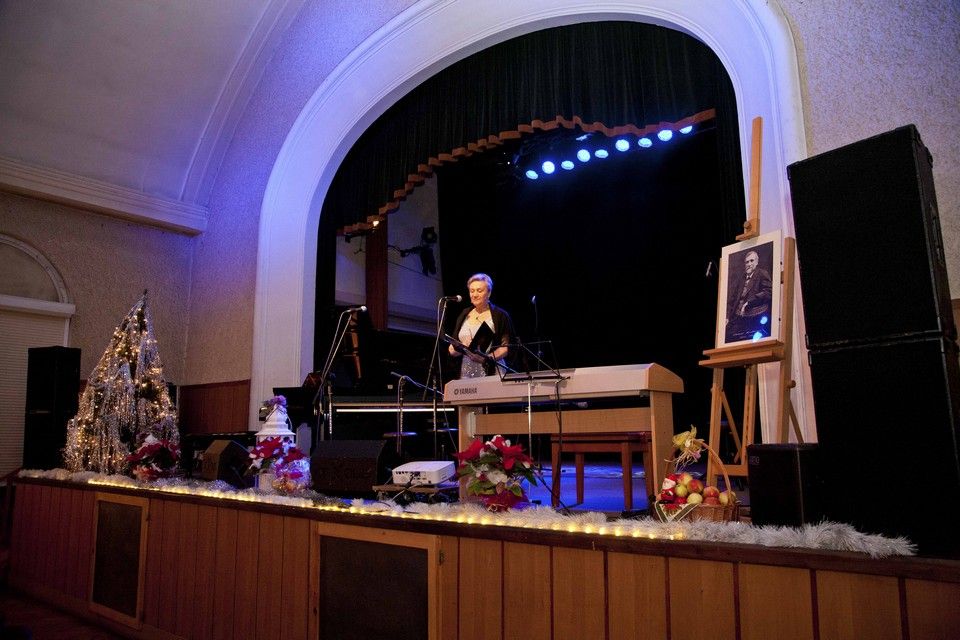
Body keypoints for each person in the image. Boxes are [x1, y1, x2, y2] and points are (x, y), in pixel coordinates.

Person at [448, 273, 515, 378]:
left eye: (479, 291)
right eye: (472, 291)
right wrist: (462, 347)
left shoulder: (500, 315)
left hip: (491, 370)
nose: (475, 294)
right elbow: (452, 349)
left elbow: (505, 348)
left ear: (489, 293)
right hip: (466, 372)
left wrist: (486, 358)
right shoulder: (464, 314)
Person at [725, 249, 773, 342]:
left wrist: (749, 302)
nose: (749, 264)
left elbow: (769, 292)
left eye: (752, 261)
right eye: (747, 262)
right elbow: (733, 299)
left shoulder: (762, 274)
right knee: (728, 337)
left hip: (754, 317)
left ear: (757, 262)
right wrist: (727, 316)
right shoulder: (742, 278)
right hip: (737, 317)